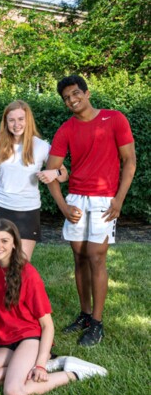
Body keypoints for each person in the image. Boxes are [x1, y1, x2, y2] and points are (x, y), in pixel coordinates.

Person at [0, 219, 108, 395]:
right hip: (6, 342)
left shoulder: (28, 275)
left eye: (4, 241)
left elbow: (47, 325)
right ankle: (30, 367)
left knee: (14, 392)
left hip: (29, 339)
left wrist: (41, 365)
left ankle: (73, 373)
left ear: (14, 244)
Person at [46, 75, 136, 347]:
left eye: (75, 94)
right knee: (79, 258)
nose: (72, 100)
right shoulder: (66, 129)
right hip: (76, 199)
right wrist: (63, 206)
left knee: (96, 258)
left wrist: (119, 200)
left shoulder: (115, 119)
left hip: (104, 200)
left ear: (87, 93)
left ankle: (97, 323)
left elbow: (129, 162)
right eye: (66, 98)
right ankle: (85, 315)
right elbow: (51, 172)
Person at [0, 100, 68, 260]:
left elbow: (64, 174)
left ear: (28, 120)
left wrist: (54, 172)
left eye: (20, 119)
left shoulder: (42, 146)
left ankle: (18, 287)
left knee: (22, 263)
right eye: (11, 120)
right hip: (0, 207)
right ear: (6, 122)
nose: (16, 124)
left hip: (28, 210)